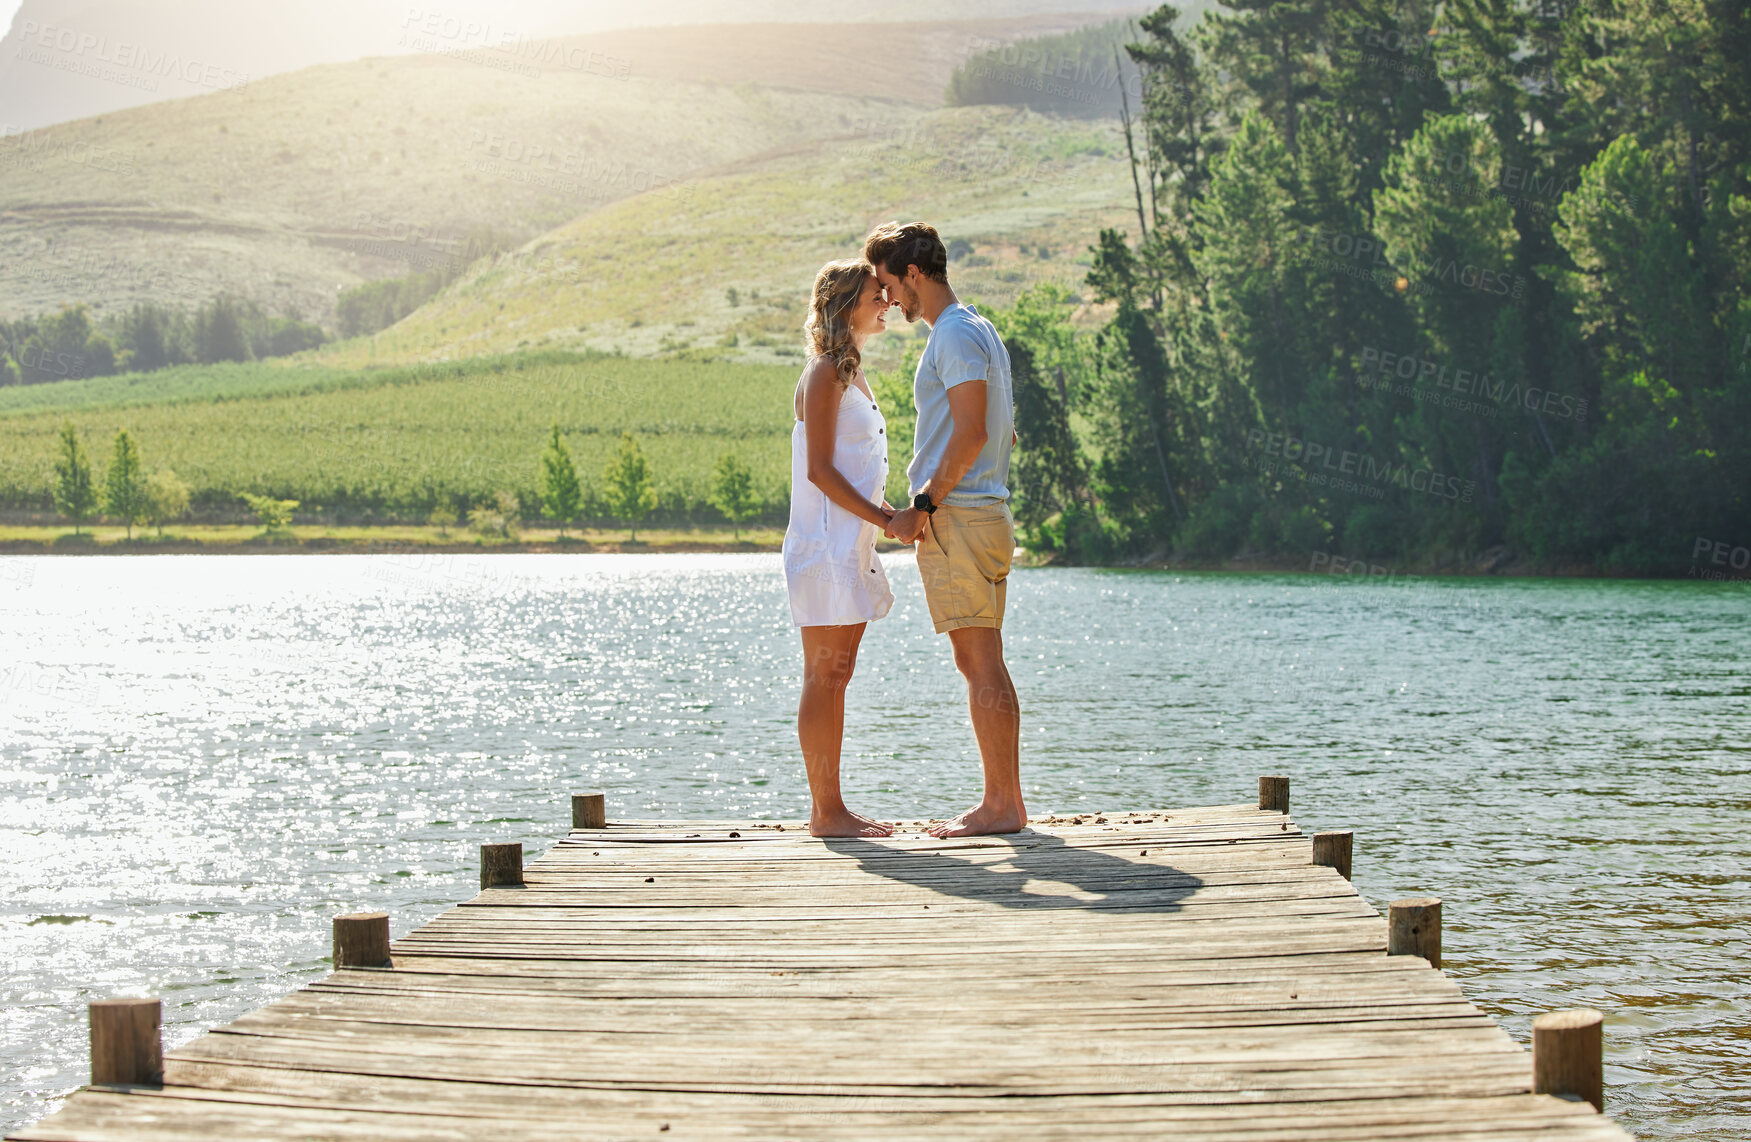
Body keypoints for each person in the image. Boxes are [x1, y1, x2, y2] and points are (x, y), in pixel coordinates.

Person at [863, 221, 1025, 838]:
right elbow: (1000, 429)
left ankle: (999, 807)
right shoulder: (976, 326)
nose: (889, 300)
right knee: (987, 661)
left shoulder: (953, 335)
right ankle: (1007, 801)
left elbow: (976, 432)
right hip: (985, 512)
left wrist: (925, 504)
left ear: (913, 274)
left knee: (978, 662)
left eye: (889, 285)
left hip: (959, 515)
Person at [781, 259, 897, 838]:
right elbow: (822, 471)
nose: (888, 303)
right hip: (824, 547)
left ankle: (831, 808)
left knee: (836, 674)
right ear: (849, 304)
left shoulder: (849, 371)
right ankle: (827, 812)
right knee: (824, 676)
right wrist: (886, 518)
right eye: (879, 294)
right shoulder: (825, 372)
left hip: (846, 546)